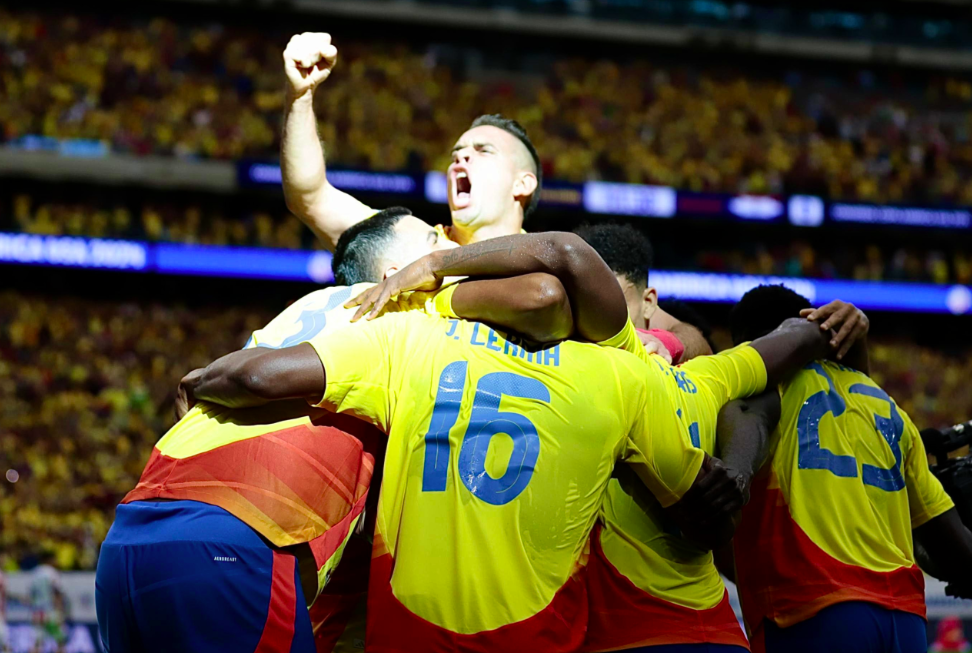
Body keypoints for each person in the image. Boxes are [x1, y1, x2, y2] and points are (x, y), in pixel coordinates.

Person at [188, 224, 864, 652]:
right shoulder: (626, 375)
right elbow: (751, 392)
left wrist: (433, 281)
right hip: (628, 630)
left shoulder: (414, 336)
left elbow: (257, 373)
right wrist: (828, 325)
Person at [94, 213, 575, 653]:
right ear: (394, 274)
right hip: (238, 543)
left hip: (127, 541)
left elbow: (217, 382)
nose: (444, 250)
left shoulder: (302, 308)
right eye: (430, 242)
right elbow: (544, 289)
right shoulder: (406, 315)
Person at [729, 284, 972, 653]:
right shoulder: (887, 405)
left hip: (812, 608)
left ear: (747, 342)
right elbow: (953, 543)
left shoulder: (760, 385)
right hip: (904, 620)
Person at [29, 552, 65, 653]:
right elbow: (57, 592)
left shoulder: (35, 572)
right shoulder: (52, 572)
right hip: (51, 611)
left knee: (37, 641)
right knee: (60, 640)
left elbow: (32, 594)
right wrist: (60, 611)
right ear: (49, 560)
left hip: (38, 611)